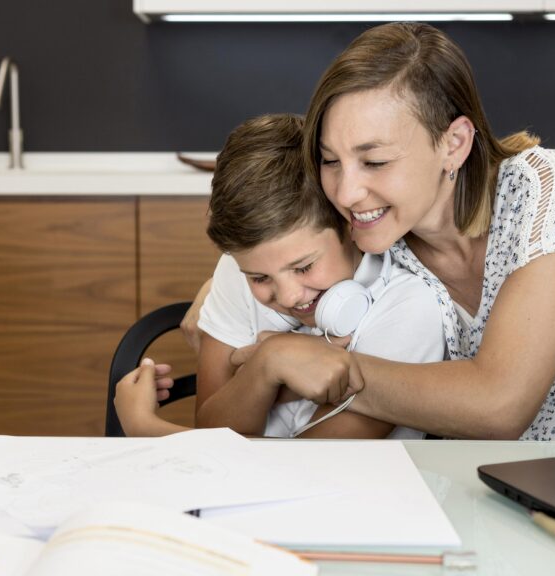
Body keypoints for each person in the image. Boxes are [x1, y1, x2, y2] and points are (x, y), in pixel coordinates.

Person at [181, 22, 555, 442]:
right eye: (330, 160)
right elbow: (264, 262)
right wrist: (221, 301)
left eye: (375, 160)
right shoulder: (379, 234)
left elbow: (499, 406)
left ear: (453, 143)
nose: (345, 191)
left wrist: (298, 362)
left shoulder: (546, 189)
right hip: (492, 496)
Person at [116, 113, 444, 438]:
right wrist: (268, 368)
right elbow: (212, 428)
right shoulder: (236, 269)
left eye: (303, 267)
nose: (287, 297)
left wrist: (146, 428)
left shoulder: (410, 306)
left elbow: (313, 470)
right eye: (259, 278)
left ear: (349, 221)